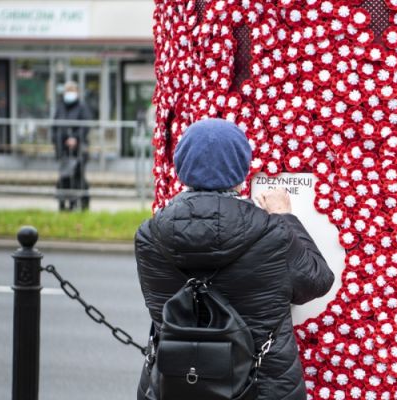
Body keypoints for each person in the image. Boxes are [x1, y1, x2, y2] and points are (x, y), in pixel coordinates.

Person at [135, 118, 334, 400]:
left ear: (181, 168)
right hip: (262, 386)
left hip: (176, 384)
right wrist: (285, 216)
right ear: (242, 169)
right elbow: (317, 280)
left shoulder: (149, 236)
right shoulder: (272, 232)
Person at [53, 81, 92, 211]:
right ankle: (63, 204)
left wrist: (75, 138)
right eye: (67, 91)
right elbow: (55, 126)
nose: (69, 93)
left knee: (78, 178)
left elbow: (85, 126)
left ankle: (81, 203)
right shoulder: (60, 107)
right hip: (64, 150)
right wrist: (59, 141)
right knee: (64, 178)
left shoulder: (82, 107)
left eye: (72, 90)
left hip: (78, 150)